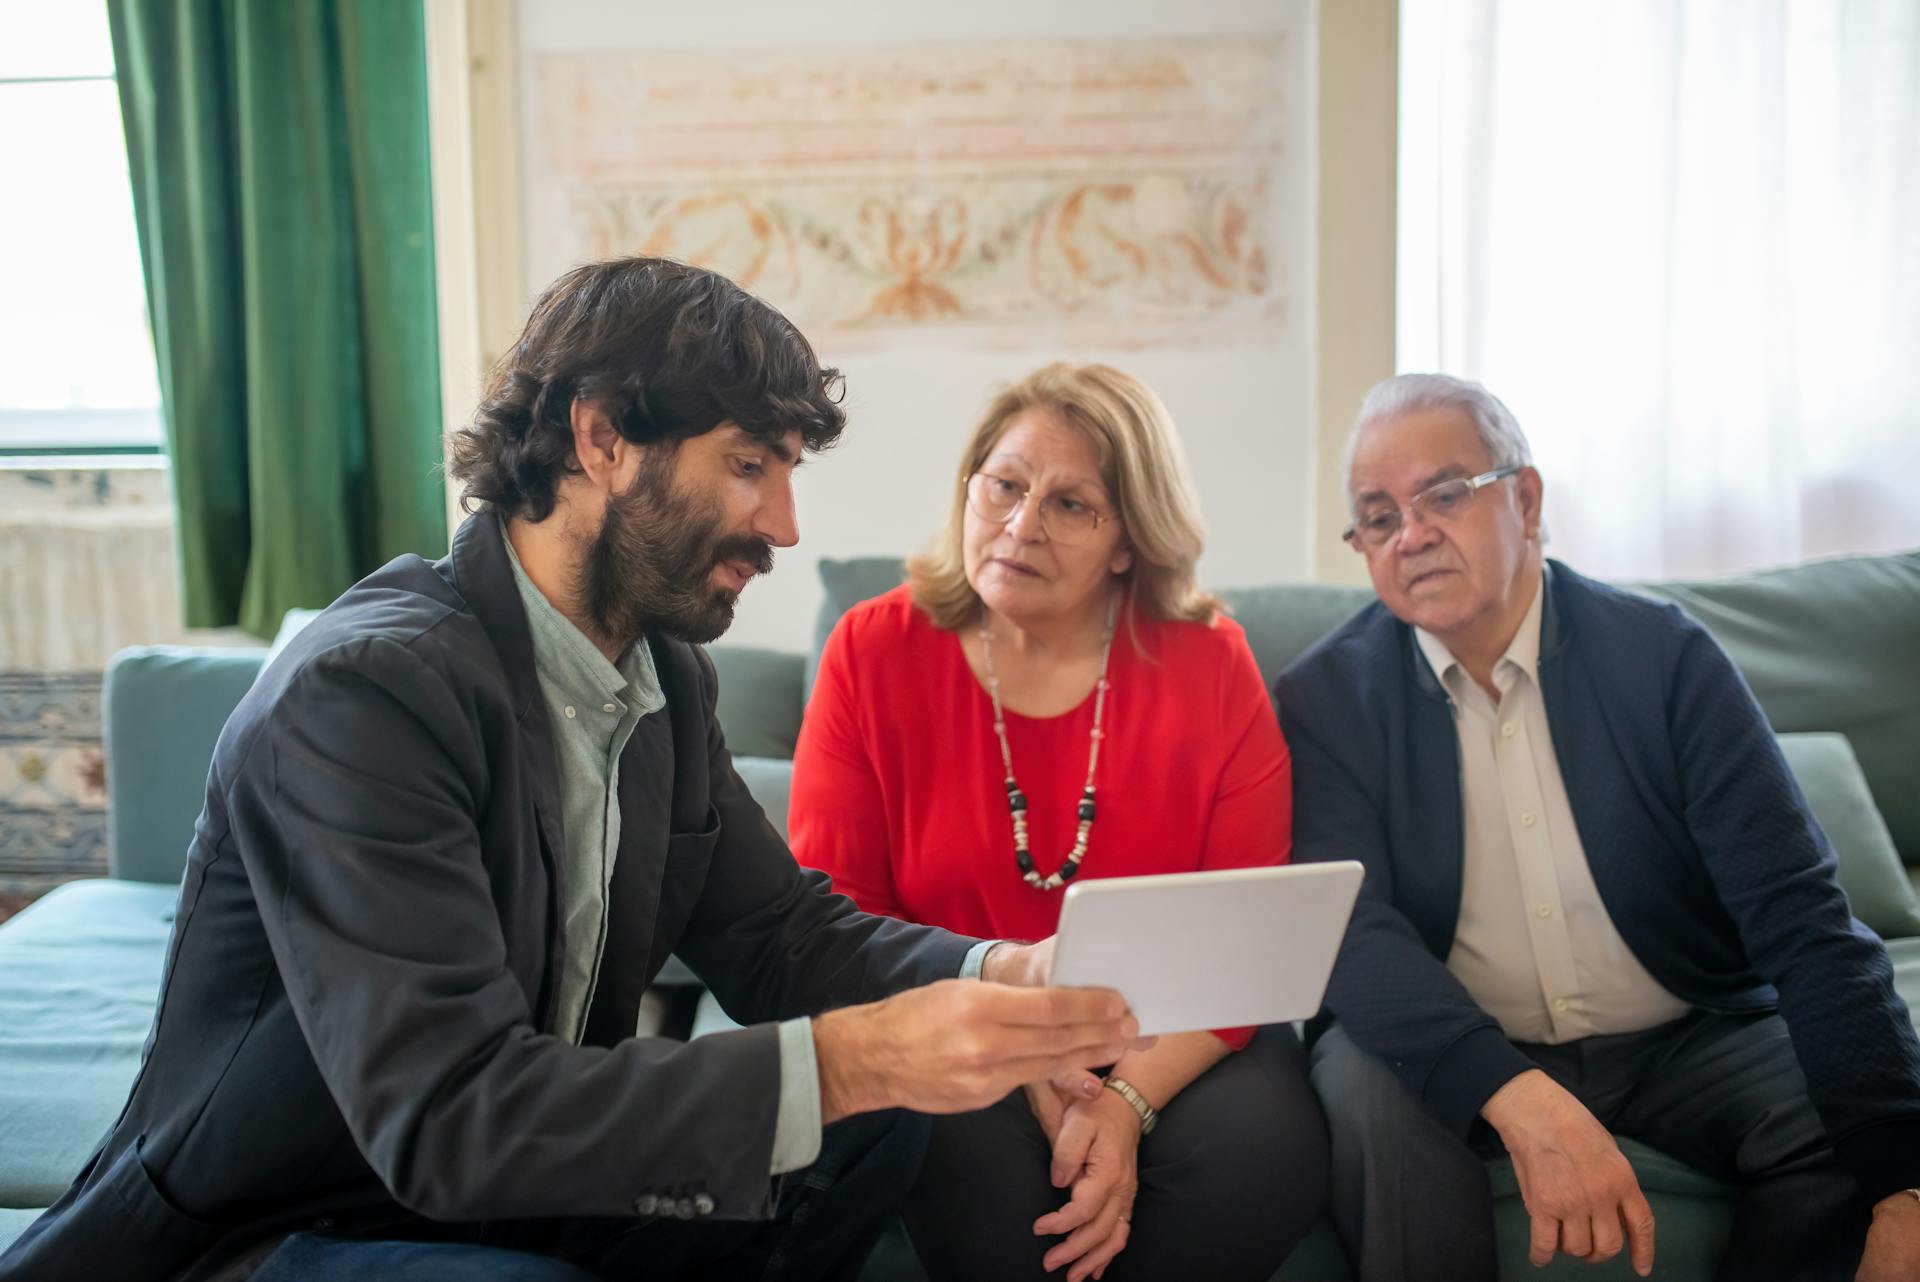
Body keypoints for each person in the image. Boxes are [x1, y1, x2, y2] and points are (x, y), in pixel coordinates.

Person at [0, 259, 1149, 1282]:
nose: (785, 524)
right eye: (748, 463)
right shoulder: (367, 694)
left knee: (873, 1125)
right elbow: (449, 1117)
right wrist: (850, 1056)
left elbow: (782, 937)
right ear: (600, 438)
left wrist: (1004, 971)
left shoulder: (661, 677)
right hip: (284, 1220)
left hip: (508, 1185)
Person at [1276, 372, 1920, 1282]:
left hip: (1684, 1032)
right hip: (1458, 1037)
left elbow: (1799, 911)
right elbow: (1351, 931)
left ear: (1526, 498)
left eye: (1444, 495)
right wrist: (1509, 1089)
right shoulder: (1325, 698)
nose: (1411, 534)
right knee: (1362, 1088)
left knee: (1838, 1117)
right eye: (1378, 516)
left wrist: (1904, 1180)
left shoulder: (1665, 658)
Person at [789, 362, 1329, 1282]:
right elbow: (839, 922)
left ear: (1129, 541)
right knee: (986, 1194)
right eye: (1004, 484)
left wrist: (1120, 1106)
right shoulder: (873, 650)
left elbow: (1247, 946)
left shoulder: (1210, 661)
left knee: (1258, 1157)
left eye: (1072, 504)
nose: (1019, 523)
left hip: (1180, 1035)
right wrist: (1028, 1061)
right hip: (951, 1022)